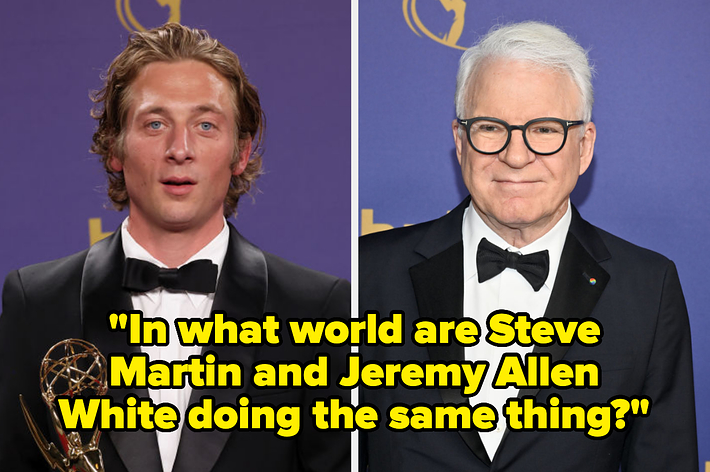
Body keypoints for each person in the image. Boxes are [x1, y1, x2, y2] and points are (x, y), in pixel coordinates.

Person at [0, 23, 349, 472]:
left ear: (240, 152)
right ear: (115, 147)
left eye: (205, 125)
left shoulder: (316, 310)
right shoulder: (36, 302)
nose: (179, 149)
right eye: (155, 123)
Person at [360, 21, 697, 471]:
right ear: (460, 144)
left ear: (584, 146)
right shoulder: (367, 274)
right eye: (490, 127)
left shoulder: (648, 290)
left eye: (544, 129)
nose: (516, 156)